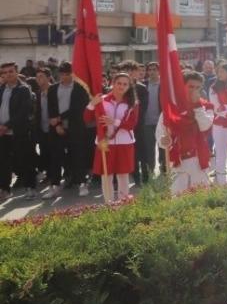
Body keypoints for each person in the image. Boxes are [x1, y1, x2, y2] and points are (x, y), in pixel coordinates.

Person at [157, 70, 214, 194]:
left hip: (198, 158)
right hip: (178, 160)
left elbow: (205, 126)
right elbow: (161, 132)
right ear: (183, 86)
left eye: (198, 87)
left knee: (201, 196)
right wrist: (163, 140)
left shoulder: (207, 106)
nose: (194, 90)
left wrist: (197, 105)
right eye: (191, 86)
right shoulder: (171, 108)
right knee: (177, 196)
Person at [86, 72, 139, 204]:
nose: (121, 86)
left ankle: (123, 202)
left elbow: (132, 124)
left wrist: (114, 122)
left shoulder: (133, 103)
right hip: (105, 142)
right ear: (112, 83)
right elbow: (87, 118)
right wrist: (92, 104)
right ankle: (108, 203)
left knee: (123, 175)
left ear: (129, 86)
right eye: (119, 83)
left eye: (125, 84)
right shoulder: (102, 100)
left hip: (124, 143)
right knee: (106, 176)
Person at [49, 62, 90, 196]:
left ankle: (82, 184)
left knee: (78, 156)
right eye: (62, 74)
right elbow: (51, 109)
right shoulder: (53, 89)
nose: (65, 77)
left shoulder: (80, 88)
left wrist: (60, 118)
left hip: (76, 127)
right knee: (55, 157)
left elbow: (78, 109)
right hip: (58, 129)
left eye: (68, 74)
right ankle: (54, 185)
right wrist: (57, 125)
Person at [0, 61, 34, 201]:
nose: (8, 74)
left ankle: (30, 188)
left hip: (18, 132)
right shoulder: (1, 89)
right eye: (5, 72)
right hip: (2, 134)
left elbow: (23, 112)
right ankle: (5, 189)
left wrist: (7, 125)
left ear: (16, 72)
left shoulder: (24, 89)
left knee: (24, 160)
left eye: (11, 71)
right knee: (3, 163)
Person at [209, 63, 227, 184]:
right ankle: (221, 182)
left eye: (222, 71)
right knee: (221, 154)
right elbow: (216, 107)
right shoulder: (213, 88)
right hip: (220, 125)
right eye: (218, 72)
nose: (219, 74)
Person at [33, 68, 60, 197]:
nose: (39, 79)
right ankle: (49, 176)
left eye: (42, 76)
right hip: (43, 129)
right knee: (45, 154)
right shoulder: (38, 93)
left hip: (54, 129)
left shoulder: (55, 91)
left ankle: (56, 181)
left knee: (55, 155)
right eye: (37, 77)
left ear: (49, 77)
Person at [138, 61, 162, 181]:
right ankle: (150, 171)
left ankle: (164, 171)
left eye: (154, 69)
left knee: (162, 147)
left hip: (161, 122)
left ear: (159, 71)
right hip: (146, 122)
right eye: (150, 70)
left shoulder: (164, 85)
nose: (152, 72)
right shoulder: (143, 85)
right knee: (148, 149)